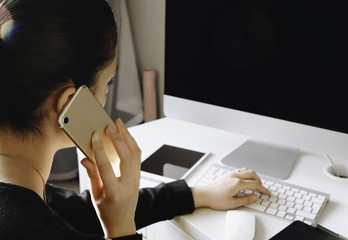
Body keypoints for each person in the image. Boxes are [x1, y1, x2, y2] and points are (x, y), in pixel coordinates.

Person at [0, 0, 270, 239]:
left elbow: (70, 211)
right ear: (69, 103)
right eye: (108, 83)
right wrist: (121, 229)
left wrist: (196, 195)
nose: (106, 96)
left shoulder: (22, 191)